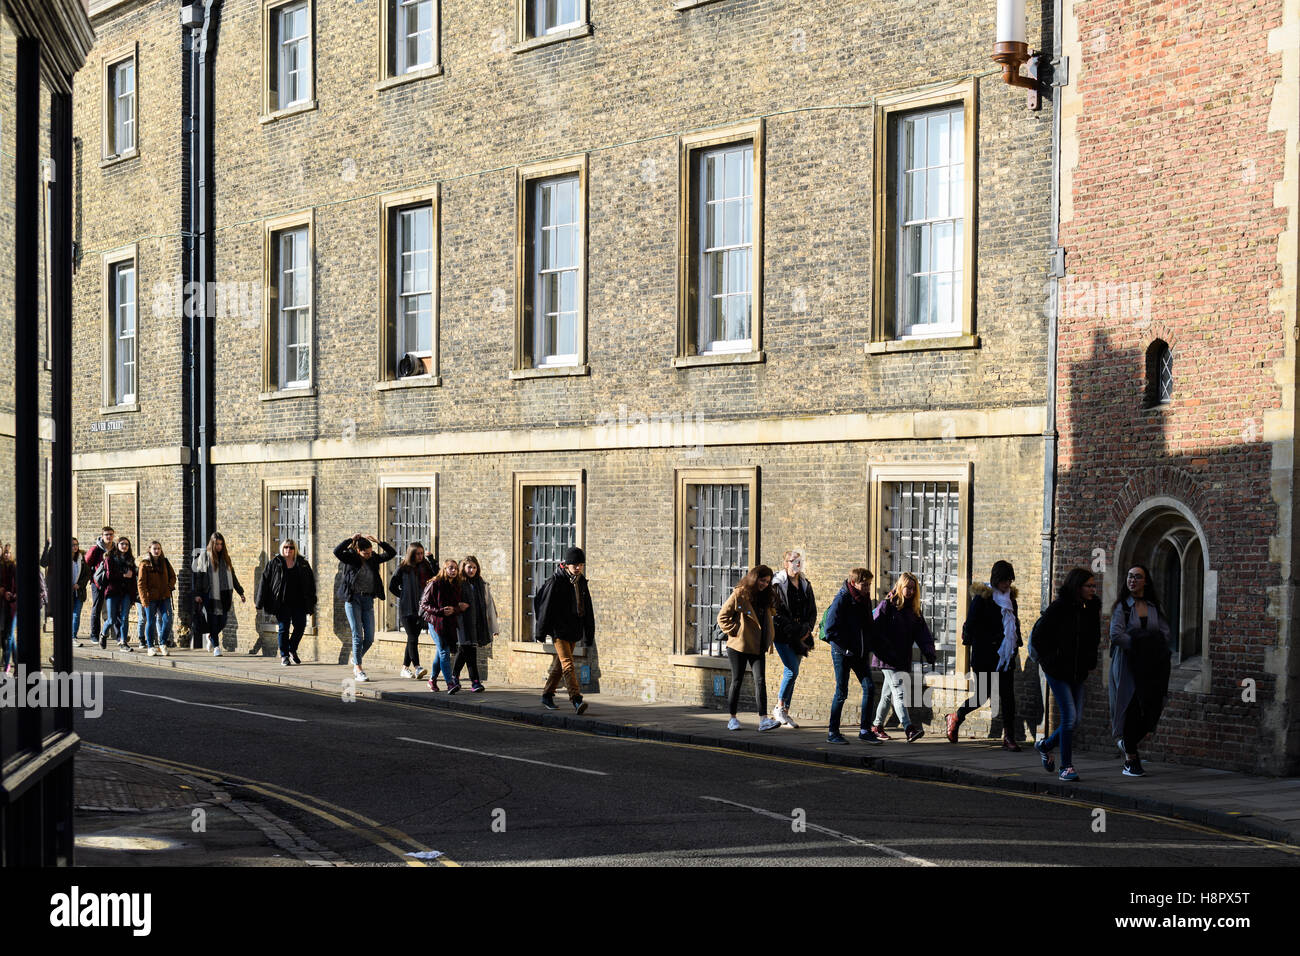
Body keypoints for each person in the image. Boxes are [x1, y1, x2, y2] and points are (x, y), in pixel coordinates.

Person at [1030, 567, 1102, 782]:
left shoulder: (1091, 608)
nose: (1093, 589)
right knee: (1069, 717)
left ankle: (1045, 745)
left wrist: (1089, 662)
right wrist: (1052, 660)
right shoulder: (1059, 608)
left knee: (1076, 719)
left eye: (1094, 585)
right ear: (1077, 587)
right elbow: (1039, 640)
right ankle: (1066, 767)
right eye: (1089, 585)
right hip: (1058, 671)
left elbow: (1094, 639)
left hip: (1078, 672)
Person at [947, 560, 1023, 750]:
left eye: (1009, 581)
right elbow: (971, 625)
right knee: (982, 696)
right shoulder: (982, 599)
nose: (1007, 584)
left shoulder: (1011, 600)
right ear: (996, 579)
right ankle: (956, 716)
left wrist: (1016, 642)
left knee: (1008, 697)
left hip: (1005, 657)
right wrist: (986, 639)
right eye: (1004, 580)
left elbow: (1014, 623)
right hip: (984, 656)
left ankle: (1009, 737)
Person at [1109, 564, 1173, 778]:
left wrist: (1151, 647)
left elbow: (1165, 634)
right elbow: (1116, 635)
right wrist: (1141, 644)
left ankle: (1125, 743)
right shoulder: (1122, 607)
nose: (1132, 580)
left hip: (1151, 668)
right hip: (1128, 666)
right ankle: (1131, 759)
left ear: (1146, 581)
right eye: (1129, 576)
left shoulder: (1153, 606)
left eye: (1137, 577)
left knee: (1151, 709)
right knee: (1131, 709)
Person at [868, 571, 936, 742]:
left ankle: (876, 726)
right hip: (887, 658)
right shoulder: (887, 605)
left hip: (900, 658)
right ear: (900, 586)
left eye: (913, 588)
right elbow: (873, 628)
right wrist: (882, 648)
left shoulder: (913, 611)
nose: (911, 591)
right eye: (907, 587)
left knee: (888, 694)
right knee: (899, 693)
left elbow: (923, 634)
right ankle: (909, 728)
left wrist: (929, 651)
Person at [823, 567, 883, 744]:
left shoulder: (864, 599)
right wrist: (846, 649)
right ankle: (833, 732)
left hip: (860, 653)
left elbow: (868, 626)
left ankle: (865, 730)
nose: (868, 588)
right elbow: (830, 629)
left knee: (870, 687)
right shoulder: (842, 599)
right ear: (853, 583)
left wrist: (872, 645)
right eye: (864, 585)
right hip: (842, 653)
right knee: (842, 692)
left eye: (870, 585)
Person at [717, 565, 780, 732]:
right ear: (754, 578)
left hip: (758, 645)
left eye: (767, 581)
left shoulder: (767, 596)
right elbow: (722, 616)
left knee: (760, 681)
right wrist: (736, 631)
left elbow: (771, 615)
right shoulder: (740, 593)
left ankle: (763, 720)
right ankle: (732, 718)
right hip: (739, 646)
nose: (765, 584)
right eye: (762, 580)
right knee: (737, 680)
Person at [533, 546, 594, 714]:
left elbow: (588, 609)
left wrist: (589, 633)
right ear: (567, 565)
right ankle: (576, 699)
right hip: (559, 630)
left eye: (581, 564)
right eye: (574, 564)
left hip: (574, 629)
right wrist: (541, 631)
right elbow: (545, 607)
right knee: (568, 664)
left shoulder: (581, 581)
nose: (578, 567)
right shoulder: (556, 581)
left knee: (560, 664)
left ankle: (547, 694)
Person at [334, 533, 396, 682]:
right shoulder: (350, 558)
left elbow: (391, 554)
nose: (369, 555)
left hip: (368, 599)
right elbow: (337, 551)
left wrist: (379, 541)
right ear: (358, 551)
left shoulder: (373, 558)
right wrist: (351, 540)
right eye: (365, 553)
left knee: (369, 637)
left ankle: (356, 659)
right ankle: (359, 669)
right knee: (357, 635)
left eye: (370, 551)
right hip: (353, 599)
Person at [770, 550, 816, 729]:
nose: (796, 564)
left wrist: (807, 629)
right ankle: (779, 707)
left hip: (802, 634)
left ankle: (785, 711)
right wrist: (797, 631)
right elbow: (777, 613)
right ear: (785, 563)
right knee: (792, 671)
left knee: (793, 673)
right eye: (792, 561)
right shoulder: (778, 584)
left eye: (799, 561)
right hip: (783, 634)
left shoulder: (805, 584)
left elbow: (812, 610)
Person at [256, 538, 317, 667]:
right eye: (286, 547)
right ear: (282, 549)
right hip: (281, 602)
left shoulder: (303, 563)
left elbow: (311, 584)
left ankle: (291, 649)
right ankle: (284, 656)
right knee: (284, 628)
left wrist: (312, 602)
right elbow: (264, 582)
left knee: (300, 626)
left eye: (291, 547)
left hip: (299, 602)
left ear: (295, 549)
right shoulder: (274, 563)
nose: (288, 550)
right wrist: (259, 602)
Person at [192, 531, 246, 657]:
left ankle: (211, 635)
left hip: (225, 594)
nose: (219, 547)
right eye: (217, 544)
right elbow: (199, 576)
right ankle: (216, 646)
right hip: (210, 594)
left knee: (223, 621)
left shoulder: (226, 558)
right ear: (212, 544)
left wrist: (240, 592)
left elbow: (232, 576)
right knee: (213, 621)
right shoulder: (204, 556)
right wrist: (198, 594)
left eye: (221, 544)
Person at [388, 543, 434, 680]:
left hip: (421, 609)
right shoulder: (403, 568)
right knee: (413, 637)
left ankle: (404, 668)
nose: (420, 556)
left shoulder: (426, 567)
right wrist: (403, 595)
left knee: (412, 638)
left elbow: (436, 578)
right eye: (417, 554)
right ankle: (418, 666)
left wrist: (431, 560)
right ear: (411, 554)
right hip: (407, 609)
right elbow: (392, 586)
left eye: (421, 553)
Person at [421, 557, 466, 691]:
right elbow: (423, 603)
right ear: (444, 569)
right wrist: (440, 611)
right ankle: (450, 683)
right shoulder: (435, 583)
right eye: (450, 568)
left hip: (449, 623)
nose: (453, 570)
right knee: (444, 653)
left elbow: (456, 606)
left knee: (441, 652)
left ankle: (432, 680)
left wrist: (455, 609)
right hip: (435, 622)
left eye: (455, 568)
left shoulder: (456, 585)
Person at [455, 555, 498, 692]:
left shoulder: (481, 584)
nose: (472, 570)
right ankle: (475, 681)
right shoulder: (458, 583)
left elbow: (489, 606)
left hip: (476, 622)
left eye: (474, 567)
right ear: (463, 567)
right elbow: (448, 600)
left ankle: (455, 677)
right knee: (468, 649)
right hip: (461, 622)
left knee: (465, 650)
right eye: (469, 567)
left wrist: (493, 626)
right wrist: (457, 605)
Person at [42, 537, 89, 647]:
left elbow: (87, 574)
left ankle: (73, 637)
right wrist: (48, 545)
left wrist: (80, 585)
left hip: (78, 592)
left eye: (76, 544)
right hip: (65, 592)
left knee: (76, 615)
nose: (75, 547)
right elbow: (44, 563)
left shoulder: (81, 558)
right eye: (72, 545)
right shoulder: (60, 559)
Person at [136, 540, 177, 657]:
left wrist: (169, 587)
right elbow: (141, 583)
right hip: (150, 598)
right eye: (154, 548)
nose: (157, 550)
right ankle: (150, 646)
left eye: (159, 548)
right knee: (151, 621)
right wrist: (144, 600)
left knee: (168, 619)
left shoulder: (165, 562)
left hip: (164, 596)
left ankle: (162, 643)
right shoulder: (144, 564)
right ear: (150, 550)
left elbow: (173, 577)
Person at [101, 536, 139, 651]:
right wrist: (123, 575)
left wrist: (133, 596)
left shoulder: (130, 560)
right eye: (122, 544)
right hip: (112, 591)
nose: (124, 546)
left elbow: (133, 580)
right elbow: (109, 575)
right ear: (117, 545)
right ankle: (103, 634)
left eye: (127, 544)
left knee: (124, 618)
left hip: (126, 592)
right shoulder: (110, 558)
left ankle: (123, 642)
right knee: (111, 619)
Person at [83, 526, 115, 650]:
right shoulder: (96, 549)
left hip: (112, 583)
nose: (109, 536)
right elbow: (86, 565)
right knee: (97, 608)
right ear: (102, 536)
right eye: (106, 534)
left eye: (111, 534)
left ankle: (114, 635)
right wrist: (93, 579)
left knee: (114, 608)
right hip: (98, 583)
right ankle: (94, 635)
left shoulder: (115, 549)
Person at [0, 544, 15, 675]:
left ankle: (7, 663)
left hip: (12, 604)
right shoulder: (2, 566)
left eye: (8, 553)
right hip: (5, 604)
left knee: (9, 636)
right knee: (9, 636)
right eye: (5, 553)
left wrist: (10, 592)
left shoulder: (12, 566)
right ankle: (13, 661)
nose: (6, 555)